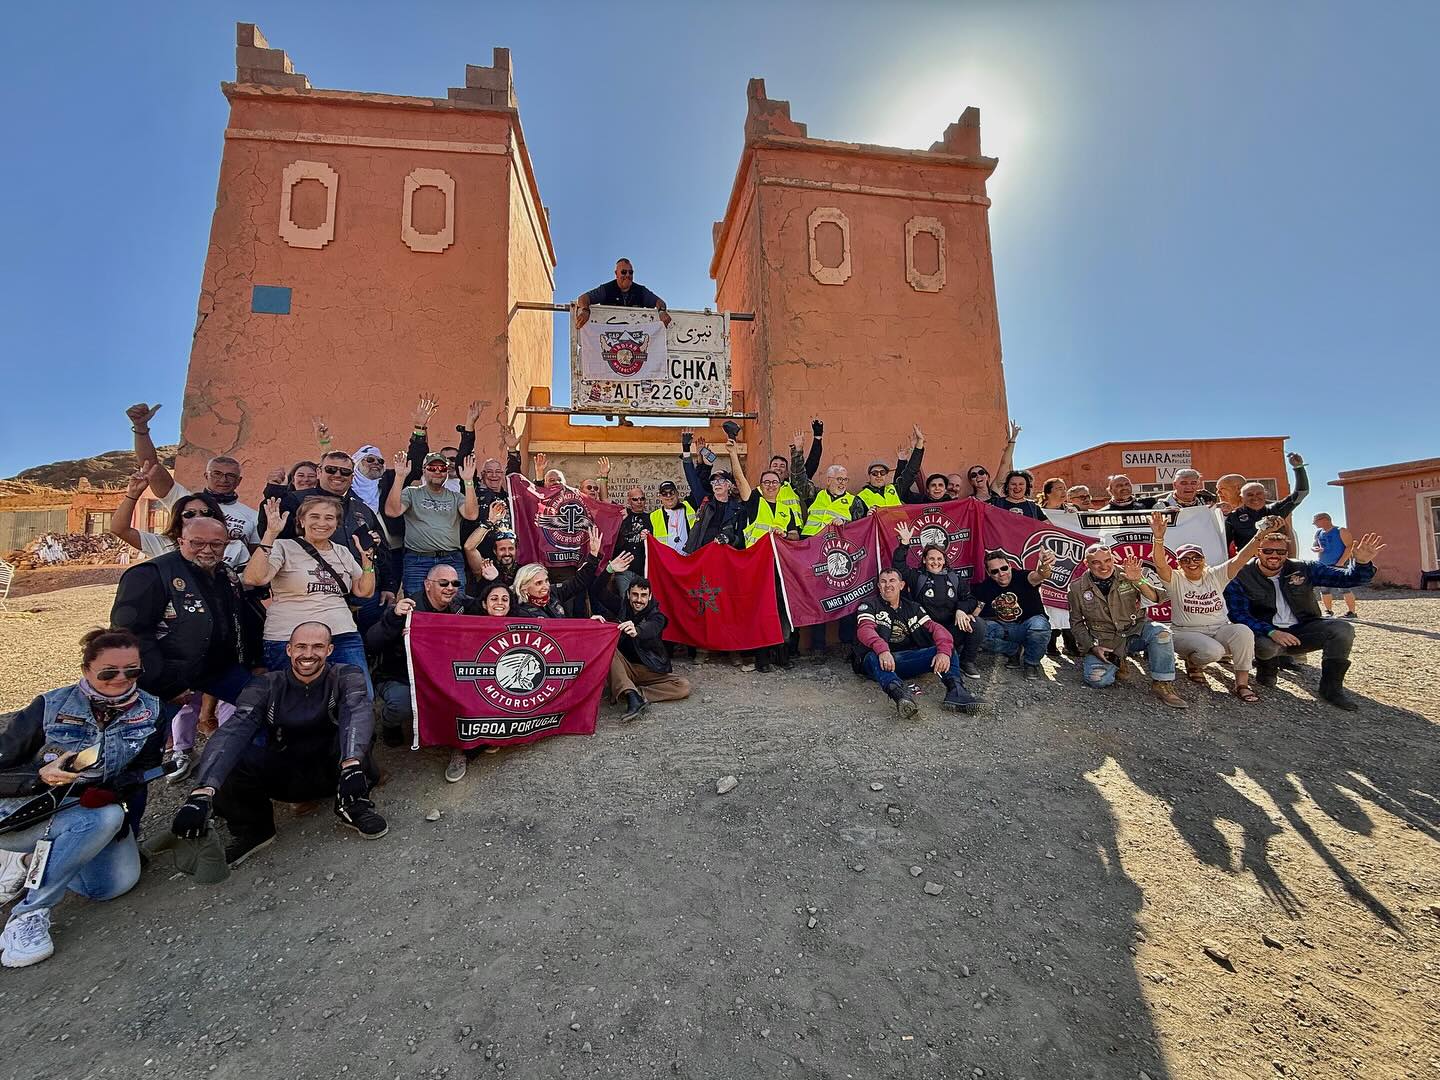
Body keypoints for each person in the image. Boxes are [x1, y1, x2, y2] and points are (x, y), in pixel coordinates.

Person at [0, 629, 165, 968]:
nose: (121, 679)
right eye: (108, 672)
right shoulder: (49, 706)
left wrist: (125, 806)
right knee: (105, 817)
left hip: (85, 813)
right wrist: (38, 778)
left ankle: (38, 862)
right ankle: (29, 914)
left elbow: (143, 773)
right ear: (86, 669)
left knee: (109, 887)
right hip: (26, 812)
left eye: (132, 670)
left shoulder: (152, 711)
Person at [170, 622, 385, 865]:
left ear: (330, 650)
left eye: (317, 646)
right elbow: (235, 730)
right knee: (235, 753)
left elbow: (357, 709)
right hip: (286, 776)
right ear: (289, 650)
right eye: (301, 646)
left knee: (360, 731)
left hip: (340, 773)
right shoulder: (265, 684)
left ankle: (353, 807)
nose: (308, 654)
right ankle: (254, 830)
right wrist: (202, 791)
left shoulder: (346, 675)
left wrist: (352, 764)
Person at [110, 516, 262, 717]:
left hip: (218, 669)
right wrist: (166, 685)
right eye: (197, 543)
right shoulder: (150, 574)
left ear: (226, 545)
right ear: (181, 542)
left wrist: (254, 662)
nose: (207, 550)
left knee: (264, 706)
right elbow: (129, 636)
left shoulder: (227, 574)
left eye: (216, 544)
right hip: (166, 673)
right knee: (144, 736)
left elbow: (240, 621)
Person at [1225, 530, 1382, 710]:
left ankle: (1331, 688)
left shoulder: (1304, 568)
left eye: (1280, 552)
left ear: (1287, 553)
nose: (1274, 555)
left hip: (1303, 629)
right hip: (1266, 632)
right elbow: (1238, 614)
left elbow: (1347, 579)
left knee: (1342, 629)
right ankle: (1267, 666)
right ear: (1257, 551)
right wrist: (1271, 631)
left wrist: (1361, 563)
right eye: (1268, 551)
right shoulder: (1241, 575)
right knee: (1266, 649)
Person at [367, 565, 491, 780]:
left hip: (443, 675)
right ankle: (390, 723)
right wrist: (395, 619)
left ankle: (462, 744)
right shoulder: (408, 608)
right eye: (443, 583)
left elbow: (488, 606)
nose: (450, 588)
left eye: (455, 583)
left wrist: (487, 583)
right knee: (401, 704)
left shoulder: (460, 603)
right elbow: (371, 642)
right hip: (401, 676)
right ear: (427, 585)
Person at [245, 495, 376, 697]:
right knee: (293, 700)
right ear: (302, 521)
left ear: (337, 523)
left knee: (359, 696)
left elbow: (364, 591)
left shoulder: (342, 552)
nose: (322, 523)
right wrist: (270, 534)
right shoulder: (283, 547)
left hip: (341, 635)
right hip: (289, 638)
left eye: (329, 518)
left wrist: (368, 560)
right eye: (315, 516)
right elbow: (254, 578)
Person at [258, 449, 398, 625]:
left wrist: (388, 586)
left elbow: (381, 549)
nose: (338, 475)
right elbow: (270, 532)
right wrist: (274, 491)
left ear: (352, 476)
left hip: (364, 593)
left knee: (365, 646)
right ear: (319, 472)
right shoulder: (295, 500)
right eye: (331, 470)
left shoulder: (362, 508)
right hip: (316, 594)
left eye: (345, 471)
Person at [1149, 511, 1277, 702]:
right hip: (1186, 633)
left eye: (1196, 558)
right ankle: (1193, 661)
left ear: (1203, 560)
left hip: (1219, 629)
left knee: (1243, 631)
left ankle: (1242, 683)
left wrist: (1261, 535)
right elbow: (1159, 564)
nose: (1192, 563)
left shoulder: (1215, 575)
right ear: (1179, 564)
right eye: (1185, 560)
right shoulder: (1175, 579)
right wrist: (1158, 537)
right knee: (1213, 651)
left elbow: (1241, 558)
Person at [127, 403, 258, 569]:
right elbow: (151, 465)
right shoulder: (184, 500)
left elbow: (255, 560)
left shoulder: (252, 517)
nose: (223, 479)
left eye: (230, 475)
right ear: (206, 476)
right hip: (184, 580)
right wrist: (140, 428)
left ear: (239, 481)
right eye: (217, 474)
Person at [1068, 545, 1186, 707]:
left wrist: (1138, 580)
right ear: (1086, 563)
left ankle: (1162, 683)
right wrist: (1093, 648)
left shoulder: (1130, 573)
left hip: (1135, 631)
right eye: (1096, 562)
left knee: (1162, 633)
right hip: (1106, 641)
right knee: (1097, 680)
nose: (1104, 566)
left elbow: (1157, 597)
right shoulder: (1076, 588)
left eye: (1108, 560)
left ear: (1113, 559)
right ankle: (1118, 661)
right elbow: (1076, 623)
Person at [854, 569, 976, 717]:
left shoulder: (913, 607)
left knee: (948, 650)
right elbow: (865, 630)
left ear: (901, 585)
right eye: (883, 582)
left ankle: (956, 691)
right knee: (874, 656)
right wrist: (882, 650)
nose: (887, 585)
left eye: (892, 581)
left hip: (901, 660)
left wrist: (943, 652)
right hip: (876, 661)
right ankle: (901, 696)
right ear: (878, 586)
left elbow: (936, 628)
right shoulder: (868, 605)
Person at [891, 523, 984, 688]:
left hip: (949, 629)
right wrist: (904, 544)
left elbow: (970, 599)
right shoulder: (917, 577)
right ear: (925, 560)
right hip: (924, 633)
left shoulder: (955, 578)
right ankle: (931, 657)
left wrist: (961, 611)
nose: (936, 562)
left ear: (945, 561)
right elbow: (899, 567)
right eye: (931, 558)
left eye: (939, 558)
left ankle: (967, 661)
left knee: (978, 624)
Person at [591, 576, 692, 722]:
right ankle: (631, 695)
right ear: (628, 594)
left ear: (650, 596)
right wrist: (610, 570)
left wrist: (637, 630)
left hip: (648, 670)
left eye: (644, 595)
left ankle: (635, 694)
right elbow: (596, 590)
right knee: (607, 649)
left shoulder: (657, 616)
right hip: (624, 668)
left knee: (683, 686)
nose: (639, 600)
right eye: (635, 594)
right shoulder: (621, 606)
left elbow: (652, 627)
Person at [385, 449, 479, 597]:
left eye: (442, 468)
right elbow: (392, 511)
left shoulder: (456, 496)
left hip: (451, 558)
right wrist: (400, 477)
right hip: (418, 560)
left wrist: (468, 480)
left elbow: (472, 515)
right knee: (416, 604)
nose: (437, 472)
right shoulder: (411, 493)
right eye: (432, 468)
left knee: (456, 603)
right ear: (424, 470)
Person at [110, 466, 227, 559]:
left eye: (206, 512)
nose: (198, 518)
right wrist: (133, 494)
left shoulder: (233, 547)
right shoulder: (164, 545)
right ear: (178, 519)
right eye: (189, 514)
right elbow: (120, 529)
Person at [973, 549, 1055, 678]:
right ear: (989, 573)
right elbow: (977, 611)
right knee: (977, 631)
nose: (1001, 573)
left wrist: (1044, 564)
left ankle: (1031, 663)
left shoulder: (1023, 577)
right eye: (995, 571)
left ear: (1010, 565)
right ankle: (1013, 650)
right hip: (1006, 629)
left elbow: (1040, 575)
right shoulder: (986, 587)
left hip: (1029, 625)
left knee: (1039, 626)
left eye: (1004, 568)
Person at [1225, 452, 1310, 550]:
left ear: (1265, 495)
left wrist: (1298, 467)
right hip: (1248, 562)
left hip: (1276, 561)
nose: (1255, 497)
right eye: (1250, 495)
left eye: (1259, 493)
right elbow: (1224, 545)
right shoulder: (1233, 517)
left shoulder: (1276, 509)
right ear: (1242, 497)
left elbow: (1301, 493)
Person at [728, 438, 803, 547]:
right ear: (761, 486)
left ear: (779, 485)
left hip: (779, 557)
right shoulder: (755, 502)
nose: (771, 485)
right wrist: (733, 454)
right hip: (757, 556)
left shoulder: (787, 510)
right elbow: (740, 480)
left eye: (774, 482)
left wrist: (784, 534)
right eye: (766, 482)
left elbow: (795, 535)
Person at [575, 259, 671, 327]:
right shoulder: (606, 289)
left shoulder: (641, 291)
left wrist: (662, 311)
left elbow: (659, 302)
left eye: (631, 272)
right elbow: (582, 298)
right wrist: (585, 311)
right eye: (624, 272)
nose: (628, 275)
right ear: (616, 274)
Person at [1311, 512, 1358, 619]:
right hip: (1324, 565)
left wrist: (1341, 562)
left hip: (1339, 564)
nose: (1314, 524)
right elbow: (1314, 546)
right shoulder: (1319, 533)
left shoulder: (1341, 531)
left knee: (1344, 589)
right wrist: (1316, 549)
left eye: (1316, 521)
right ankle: (1328, 611)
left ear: (1325, 519)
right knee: (1324, 590)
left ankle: (1352, 612)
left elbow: (1349, 546)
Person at [800, 465, 869, 536]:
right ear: (828, 481)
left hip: (833, 543)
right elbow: (799, 482)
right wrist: (797, 455)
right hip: (808, 540)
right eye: (839, 479)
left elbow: (859, 526)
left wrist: (844, 522)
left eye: (845, 479)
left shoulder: (854, 501)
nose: (843, 483)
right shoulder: (816, 494)